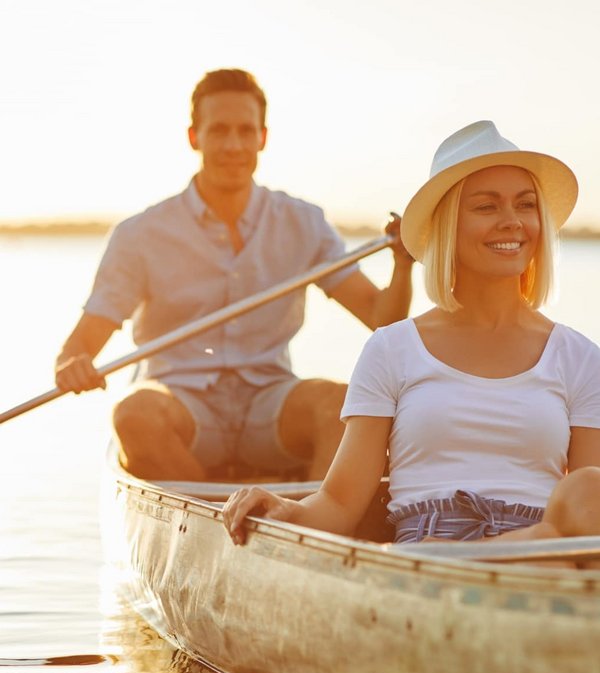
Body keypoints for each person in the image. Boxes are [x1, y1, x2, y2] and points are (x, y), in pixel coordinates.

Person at [223, 120, 600, 557]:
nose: (512, 222)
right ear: (446, 227)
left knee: (589, 489)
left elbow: (588, 512)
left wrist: (546, 542)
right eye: (487, 207)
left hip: (545, 559)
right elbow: (341, 504)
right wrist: (285, 509)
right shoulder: (392, 349)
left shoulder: (580, 357)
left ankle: (522, 553)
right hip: (427, 557)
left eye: (525, 205)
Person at [54, 68, 415, 482]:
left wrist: (402, 264)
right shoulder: (140, 234)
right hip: (181, 406)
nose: (233, 145)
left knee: (340, 405)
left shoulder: (304, 222)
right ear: (195, 137)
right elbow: (83, 342)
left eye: (246, 131)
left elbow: (381, 317)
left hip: (269, 402)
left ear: (262, 138)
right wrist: (71, 363)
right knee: (134, 415)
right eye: (219, 130)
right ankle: (218, 517)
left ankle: (315, 528)